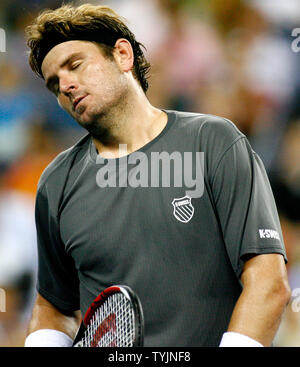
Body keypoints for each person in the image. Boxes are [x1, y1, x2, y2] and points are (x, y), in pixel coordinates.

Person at [24, 4, 291, 347]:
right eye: (54, 83)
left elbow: (268, 280)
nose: (66, 86)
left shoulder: (213, 141)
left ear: (122, 55)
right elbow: (55, 305)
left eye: (75, 65)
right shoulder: (56, 182)